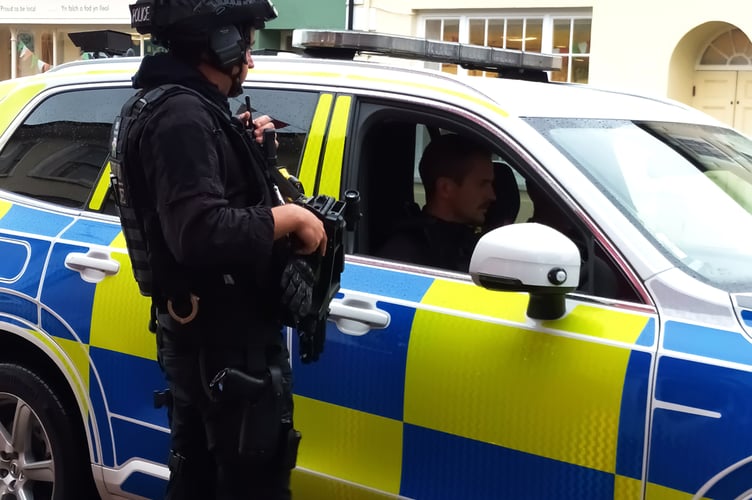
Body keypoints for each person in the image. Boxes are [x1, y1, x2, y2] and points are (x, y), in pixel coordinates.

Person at [112, 0, 327, 498]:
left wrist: (247, 151)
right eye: (246, 43)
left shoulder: (175, 105)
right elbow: (199, 231)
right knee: (249, 484)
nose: (249, 60)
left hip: (207, 340)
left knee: (202, 481)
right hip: (223, 343)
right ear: (221, 41)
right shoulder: (182, 115)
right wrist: (292, 217)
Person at [377, 133, 495, 272]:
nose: (492, 196)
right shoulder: (404, 256)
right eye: (482, 184)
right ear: (446, 188)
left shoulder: (472, 244)